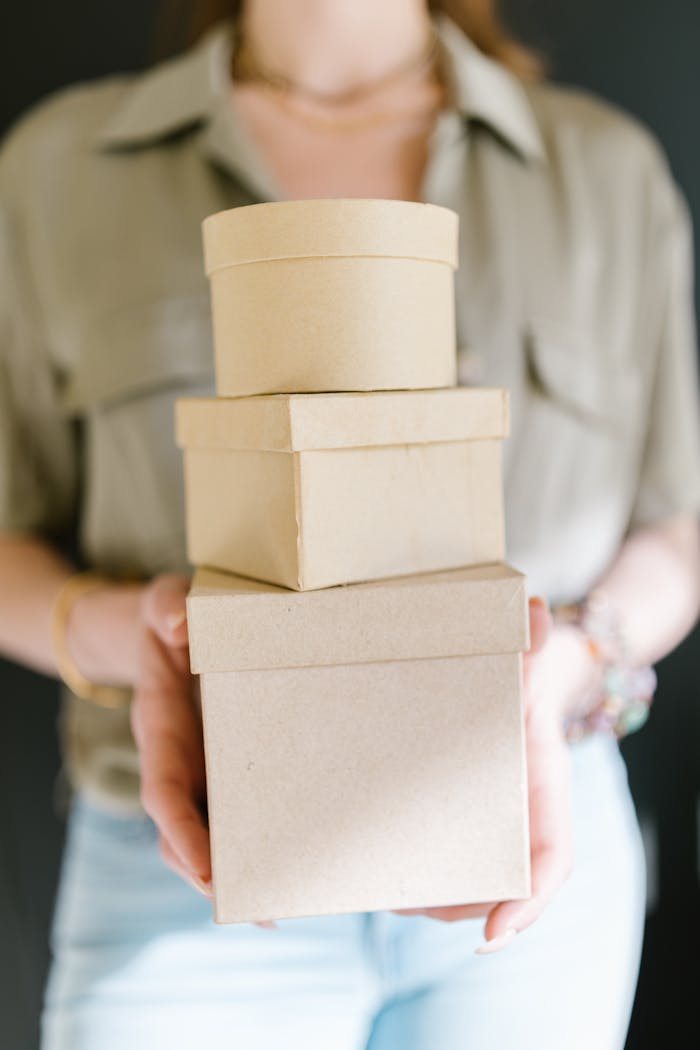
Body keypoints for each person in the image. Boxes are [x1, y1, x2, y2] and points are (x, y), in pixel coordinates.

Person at [1, 1, 699, 1047]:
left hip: (525, 837)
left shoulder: (603, 171)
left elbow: (676, 532)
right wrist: (136, 635)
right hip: (188, 867)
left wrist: (566, 660)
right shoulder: (62, 167)